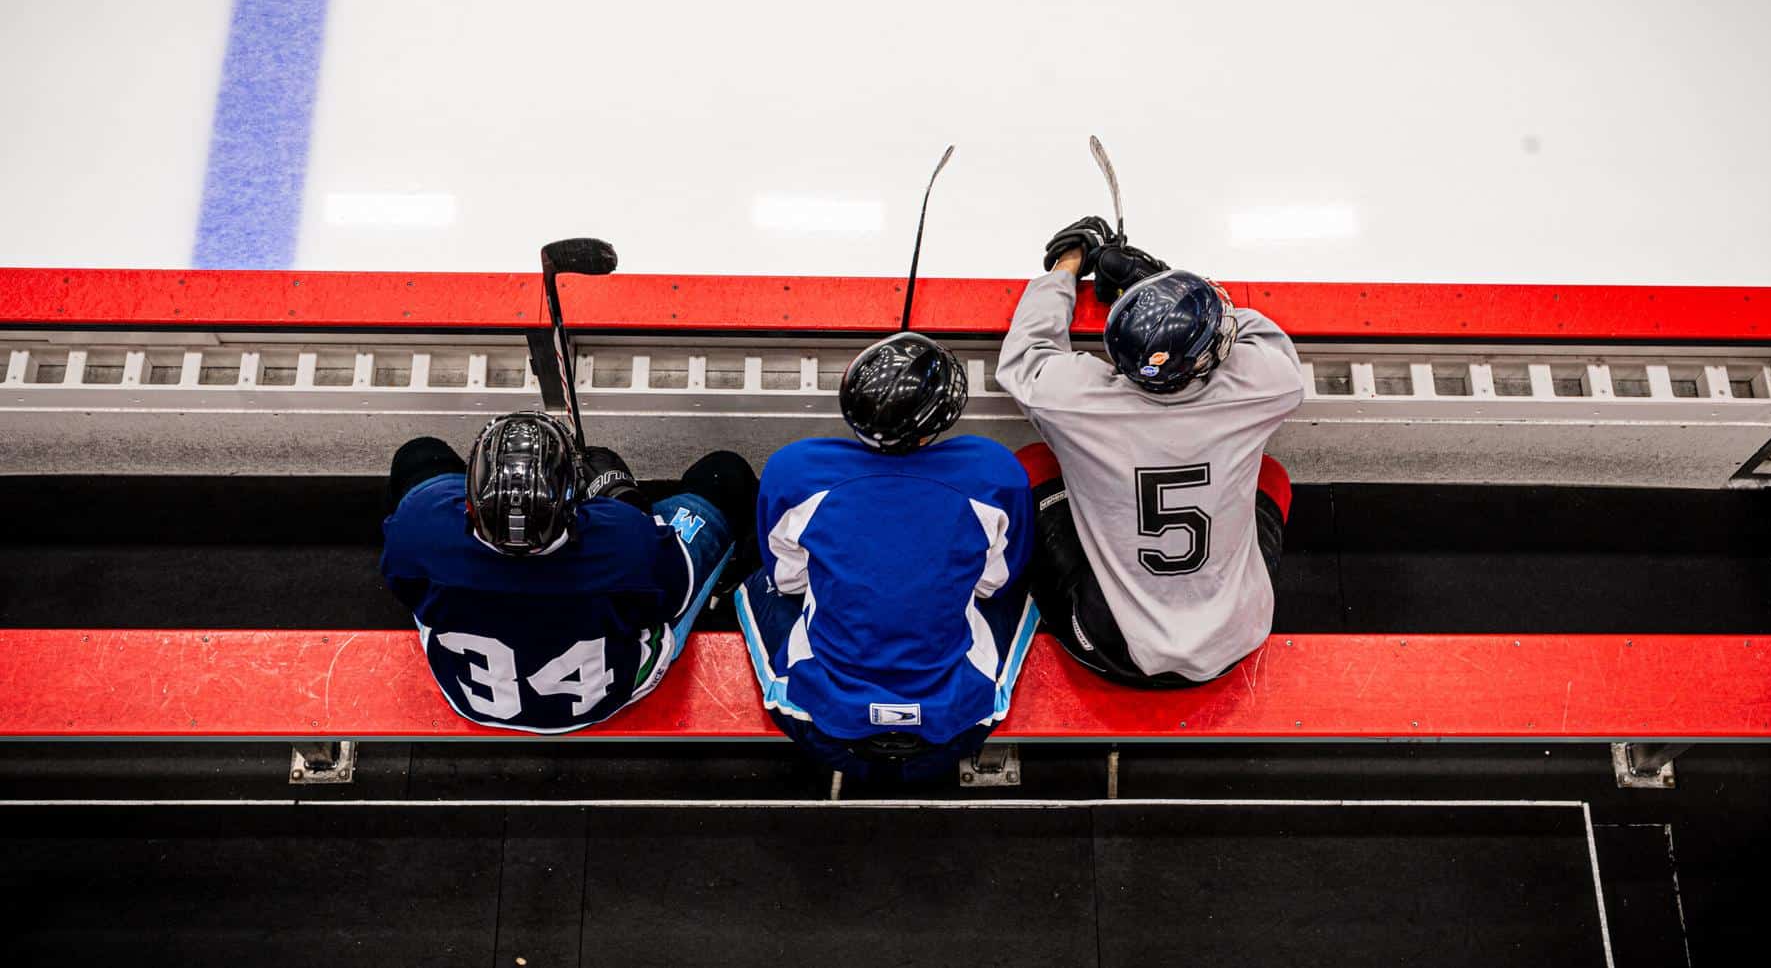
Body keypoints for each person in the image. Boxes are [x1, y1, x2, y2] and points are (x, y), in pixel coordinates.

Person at [995, 217, 1302, 687]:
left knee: (1034, 463)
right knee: (1272, 476)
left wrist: (1067, 265)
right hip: (1234, 638)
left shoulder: (1074, 402)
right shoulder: (1261, 389)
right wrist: (1160, 284)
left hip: (1113, 645)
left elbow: (1026, 352)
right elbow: (1258, 339)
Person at [735, 332, 1037, 782]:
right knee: (1022, 592)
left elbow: (789, 581)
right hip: (956, 725)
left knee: (756, 583)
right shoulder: (994, 472)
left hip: (818, 721)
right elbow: (995, 583)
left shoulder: (793, 470)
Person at [380, 411, 758, 733]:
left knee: (419, 456)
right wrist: (625, 501)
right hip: (611, 693)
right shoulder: (626, 543)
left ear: (470, 502)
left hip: (472, 696)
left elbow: (405, 584)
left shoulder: (418, 532)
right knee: (724, 476)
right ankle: (730, 581)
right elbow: (672, 593)